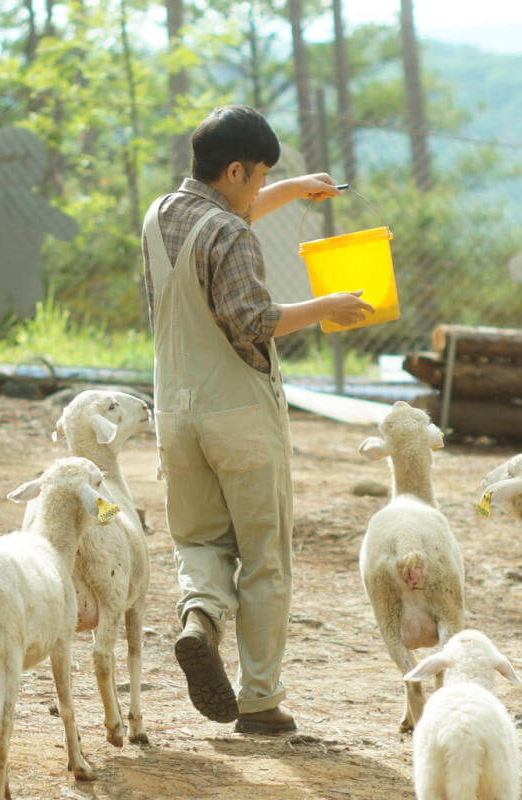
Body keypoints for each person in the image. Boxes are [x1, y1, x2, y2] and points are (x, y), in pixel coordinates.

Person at [140, 105, 373, 734]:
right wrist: (325, 306)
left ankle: (199, 619)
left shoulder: (160, 215)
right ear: (237, 170)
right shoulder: (233, 235)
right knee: (264, 556)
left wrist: (293, 188)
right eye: (260, 175)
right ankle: (260, 701)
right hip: (239, 412)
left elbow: (223, 217)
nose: (259, 186)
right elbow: (252, 320)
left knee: (199, 540)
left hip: (175, 413)